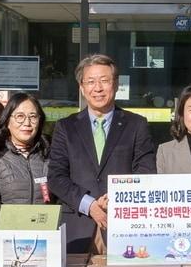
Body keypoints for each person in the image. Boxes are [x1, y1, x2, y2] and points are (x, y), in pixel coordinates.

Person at [48, 55, 157, 254]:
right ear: (82, 87)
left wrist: (116, 198)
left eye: (104, 81)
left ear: (115, 85)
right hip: (77, 226)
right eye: (90, 82)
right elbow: (56, 177)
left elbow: (146, 172)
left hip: (123, 225)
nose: (97, 88)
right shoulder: (65, 127)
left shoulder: (136, 125)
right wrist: (89, 205)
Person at [0, 93, 51, 228]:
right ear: (7, 121)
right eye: (20, 116)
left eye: (33, 117)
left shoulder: (48, 154)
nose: (27, 123)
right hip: (8, 235)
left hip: (45, 233)